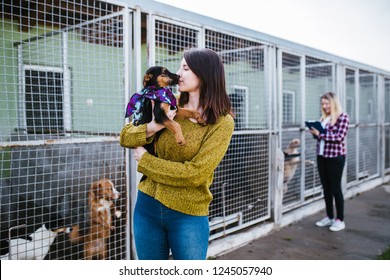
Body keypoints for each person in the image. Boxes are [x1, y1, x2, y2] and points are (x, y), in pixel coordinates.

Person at [119, 48, 234, 259]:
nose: (178, 73)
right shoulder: (168, 101)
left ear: (205, 73)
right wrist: (154, 126)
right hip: (147, 207)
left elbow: (195, 174)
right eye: (180, 67)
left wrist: (146, 161)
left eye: (185, 68)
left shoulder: (222, 122)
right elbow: (126, 136)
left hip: (188, 213)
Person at [308, 92, 349, 232]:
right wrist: (315, 133)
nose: (324, 106)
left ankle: (340, 220)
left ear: (334, 103)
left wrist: (321, 134)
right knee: (326, 188)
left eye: (327, 103)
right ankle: (330, 217)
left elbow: (339, 137)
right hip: (322, 156)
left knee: (335, 188)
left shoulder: (343, 117)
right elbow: (321, 138)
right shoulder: (323, 118)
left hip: (335, 157)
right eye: (323, 104)